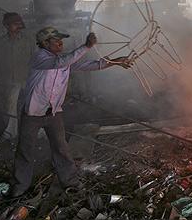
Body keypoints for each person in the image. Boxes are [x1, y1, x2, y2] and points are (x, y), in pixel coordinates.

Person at [11, 26, 131, 197]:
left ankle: (70, 182)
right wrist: (86, 46)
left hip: (53, 113)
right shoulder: (40, 58)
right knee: (25, 150)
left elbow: (88, 65)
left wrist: (115, 61)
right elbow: (62, 62)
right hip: (33, 113)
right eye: (56, 40)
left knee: (61, 148)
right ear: (45, 43)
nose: (61, 43)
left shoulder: (61, 59)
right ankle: (20, 186)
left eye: (61, 40)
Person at [0, 12, 35, 141]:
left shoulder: (28, 41)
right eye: (15, 24)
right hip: (8, 80)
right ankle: (10, 132)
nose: (18, 26)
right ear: (6, 25)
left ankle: (38, 131)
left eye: (19, 23)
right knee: (10, 106)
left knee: (33, 106)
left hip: (27, 78)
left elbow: (35, 59)